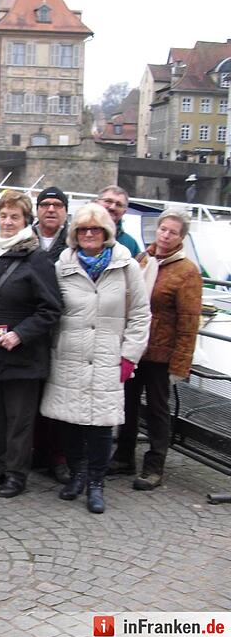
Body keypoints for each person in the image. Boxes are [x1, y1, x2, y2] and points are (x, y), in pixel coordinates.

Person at [41, 203, 150, 513]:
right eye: (83, 229)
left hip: (107, 355)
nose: (89, 234)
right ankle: (77, 474)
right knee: (71, 421)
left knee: (101, 424)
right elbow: (51, 308)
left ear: (106, 232)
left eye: (96, 229)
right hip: (70, 353)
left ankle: (96, 483)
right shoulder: (63, 265)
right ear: (75, 234)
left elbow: (141, 313)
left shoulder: (126, 266)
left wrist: (129, 354)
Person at [0, 190, 62, 498]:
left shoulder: (36, 258)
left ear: (26, 220)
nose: (8, 222)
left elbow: (51, 308)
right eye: (4, 216)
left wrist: (21, 334)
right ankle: (0, 464)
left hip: (24, 353)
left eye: (15, 217)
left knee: (19, 419)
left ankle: (16, 473)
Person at [111, 209, 202, 490]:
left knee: (157, 410)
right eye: (163, 229)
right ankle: (123, 456)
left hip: (162, 353)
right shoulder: (143, 259)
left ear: (181, 237)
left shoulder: (187, 272)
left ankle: (154, 466)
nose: (165, 236)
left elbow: (189, 321)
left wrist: (180, 364)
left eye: (172, 232)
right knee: (127, 403)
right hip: (136, 347)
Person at [30, 186, 72, 483]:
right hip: (29, 330)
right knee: (30, 398)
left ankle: (59, 456)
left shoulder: (73, 242)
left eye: (58, 205)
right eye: (45, 204)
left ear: (66, 211)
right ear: (37, 210)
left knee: (58, 396)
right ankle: (35, 451)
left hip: (62, 331)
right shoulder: (25, 239)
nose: (51, 209)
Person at [97, 185, 140, 257]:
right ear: (96, 203)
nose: (112, 207)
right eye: (108, 201)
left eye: (119, 205)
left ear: (124, 212)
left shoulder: (130, 244)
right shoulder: (81, 234)